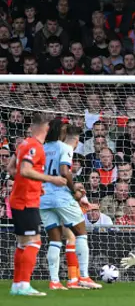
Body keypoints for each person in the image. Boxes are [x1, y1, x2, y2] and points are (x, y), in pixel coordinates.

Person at [8, 114, 67, 296]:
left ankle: (17, 284)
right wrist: (51, 179)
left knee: (22, 243)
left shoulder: (24, 144)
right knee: (34, 242)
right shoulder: (35, 146)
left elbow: (11, 169)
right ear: (47, 127)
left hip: (21, 198)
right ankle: (24, 284)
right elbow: (25, 170)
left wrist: (36, 185)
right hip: (26, 201)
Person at [40, 121, 101, 290]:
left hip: (44, 198)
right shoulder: (64, 148)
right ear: (61, 132)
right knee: (81, 233)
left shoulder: (42, 148)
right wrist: (75, 191)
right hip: (61, 197)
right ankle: (84, 277)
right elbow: (64, 171)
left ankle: (54, 281)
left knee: (55, 240)